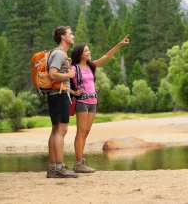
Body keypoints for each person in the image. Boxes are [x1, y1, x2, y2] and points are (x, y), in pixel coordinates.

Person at [70, 34, 130, 173]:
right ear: (80, 54)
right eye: (86, 50)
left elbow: (107, 56)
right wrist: (73, 93)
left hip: (93, 101)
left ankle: (80, 162)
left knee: (86, 133)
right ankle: (78, 163)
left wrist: (119, 44)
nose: (89, 52)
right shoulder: (74, 69)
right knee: (81, 132)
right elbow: (61, 80)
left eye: (89, 50)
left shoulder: (91, 66)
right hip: (82, 102)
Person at [47, 25, 78, 179]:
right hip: (59, 94)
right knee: (61, 130)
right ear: (63, 37)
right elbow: (53, 74)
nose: (73, 36)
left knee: (55, 130)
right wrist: (70, 74)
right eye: (70, 34)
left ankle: (53, 167)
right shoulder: (59, 54)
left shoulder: (59, 53)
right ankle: (59, 167)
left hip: (56, 95)